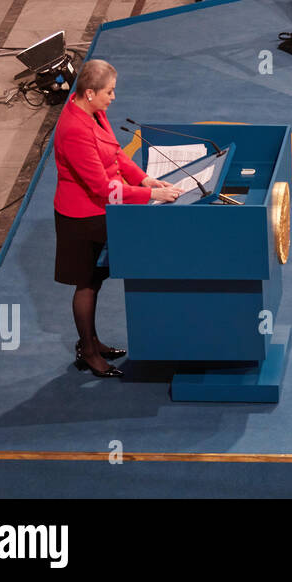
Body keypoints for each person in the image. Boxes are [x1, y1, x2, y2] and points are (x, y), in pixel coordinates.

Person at [53, 59, 181, 378]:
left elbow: (116, 153)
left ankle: (93, 341)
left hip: (101, 212)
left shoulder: (94, 111)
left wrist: (143, 179)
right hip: (81, 217)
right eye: (109, 92)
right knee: (87, 284)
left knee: (97, 279)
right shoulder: (74, 131)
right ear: (90, 92)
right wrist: (151, 195)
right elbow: (100, 187)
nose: (113, 97)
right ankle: (88, 350)